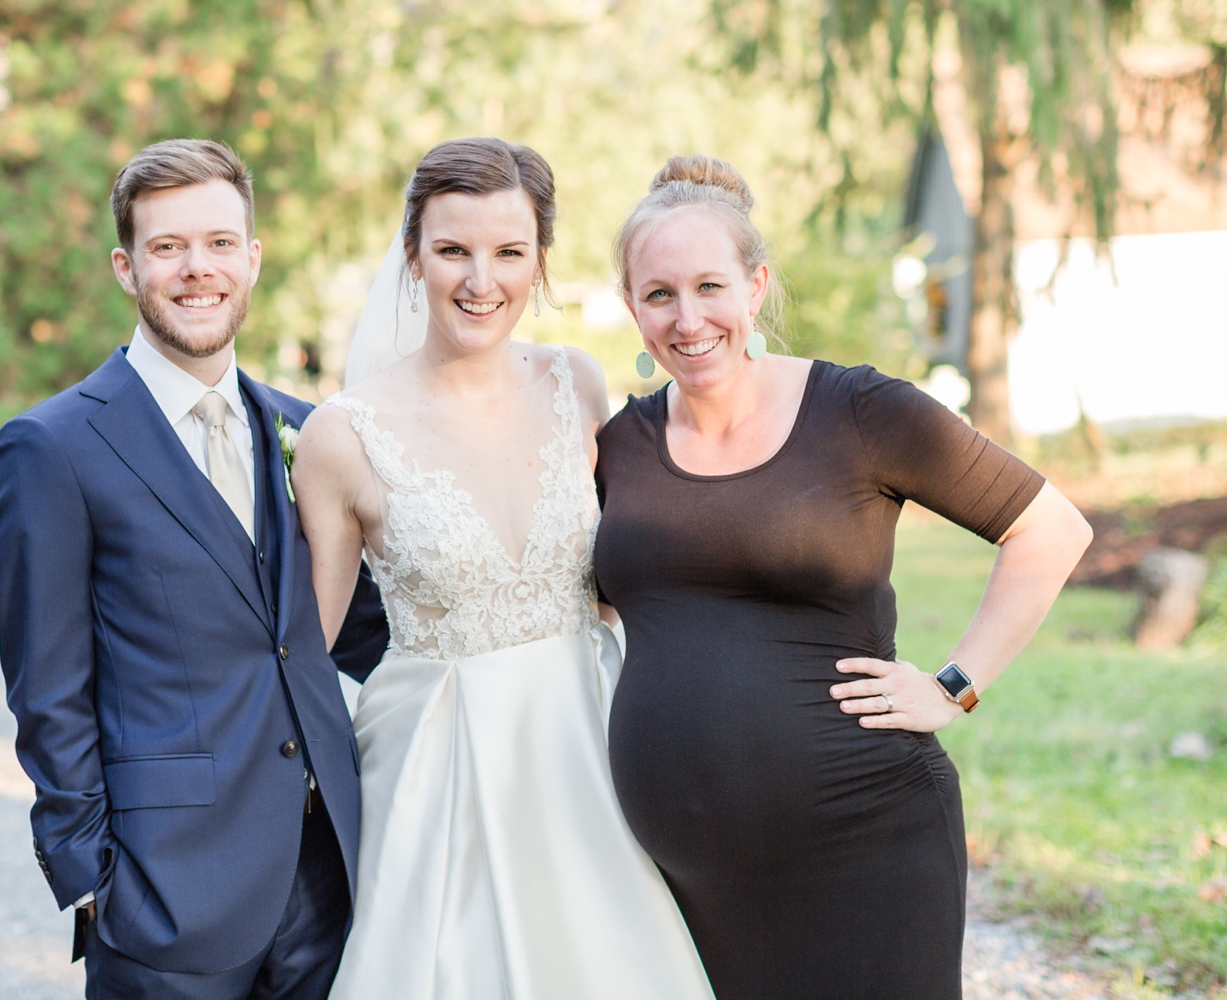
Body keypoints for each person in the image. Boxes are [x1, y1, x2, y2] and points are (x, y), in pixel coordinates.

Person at [592, 155, 1094, 1000]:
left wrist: (954, 685)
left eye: (711, 286)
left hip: (866, 847)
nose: (688, 319)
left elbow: (1049, 528)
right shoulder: (618, 448)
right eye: (660, 295)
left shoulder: (860, 413)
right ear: (631, 306)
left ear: (755, 288)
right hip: (682, 882)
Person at [292, 138, 715, 1000]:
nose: (481, 280)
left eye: (508, 253)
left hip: (590, 748)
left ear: (539, 262)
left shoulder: (579, 385)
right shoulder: (342, 435)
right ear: (413, 255)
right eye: (452, 250)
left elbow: (622, 581)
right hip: (437, 770)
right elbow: (306, 649)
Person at [0, 139, 389, 1000]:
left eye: (217, 243)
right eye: (167, 248)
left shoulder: (310, 431)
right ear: (127, 269)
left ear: (252, 258)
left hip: (327, 877)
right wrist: (92, 881)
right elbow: (46, 688)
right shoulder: (51, 448)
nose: (196, 269)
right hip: (164, 897)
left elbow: (359, 634)